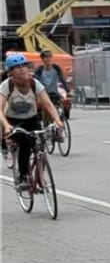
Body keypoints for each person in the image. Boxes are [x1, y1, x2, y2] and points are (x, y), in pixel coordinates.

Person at [1, 54, 65, 189]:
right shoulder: (7, 86)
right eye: (17, 68)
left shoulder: (34, 83)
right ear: (11, 72)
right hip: (13, 122)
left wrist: (57, 120)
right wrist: (6, 126)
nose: (21, 69)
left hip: (32, 119)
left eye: (23, 66)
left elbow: (47, 104)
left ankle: (41, 177)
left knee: (40, 145)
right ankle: (23, 176)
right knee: (25, 144)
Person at [33, 49, 69, 119]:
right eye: (46, 57)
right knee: (45, 113)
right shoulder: (39, 70)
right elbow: (36, 83)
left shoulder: (56, 68)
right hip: (44, 94)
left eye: (49, 57)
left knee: (58, 112)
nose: (48, 59)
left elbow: (62, 80)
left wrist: (68, 91)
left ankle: (59, 125)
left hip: (54, 93)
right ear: (42, 59)